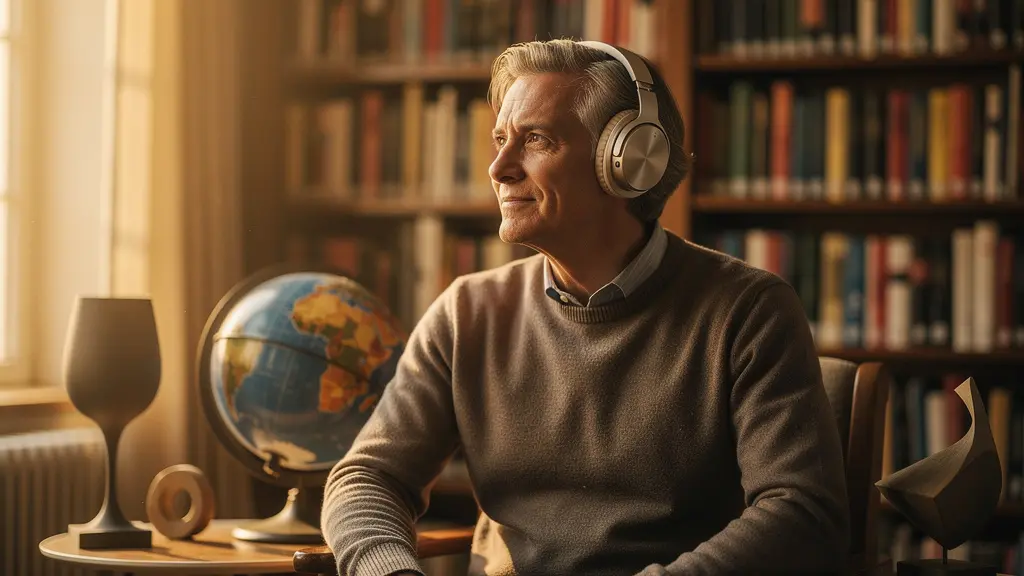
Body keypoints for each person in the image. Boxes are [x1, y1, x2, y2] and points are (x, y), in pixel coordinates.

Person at [321, 39, 850, 576]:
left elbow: (802, 513)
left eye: (536, 140)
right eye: (500, 139)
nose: (499, 168)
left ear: (628, 162)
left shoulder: (748, 310)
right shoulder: (467, 312)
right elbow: (366, 479)